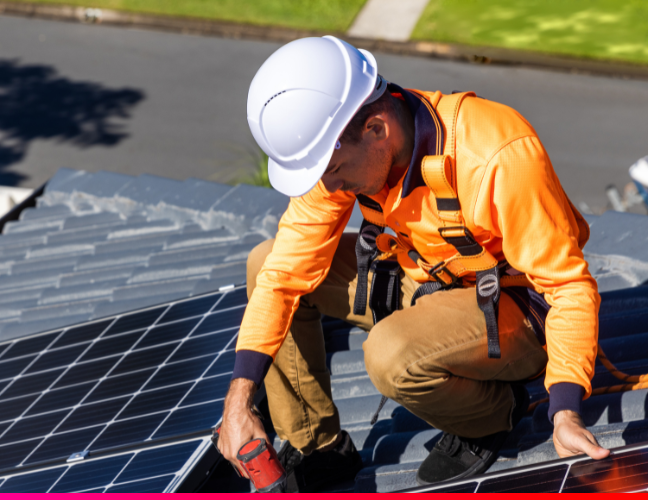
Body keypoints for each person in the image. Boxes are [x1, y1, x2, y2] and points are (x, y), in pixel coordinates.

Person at [216, 36, 608, 491]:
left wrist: (564, 410)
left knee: (390, 354)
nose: (328, 185)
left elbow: (568, 289)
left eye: (333, 169)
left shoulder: (497, 154)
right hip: (427, 279)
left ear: (377, 129)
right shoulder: (342, 157)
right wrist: (239, 401)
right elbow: (281, 276)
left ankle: (491, 416)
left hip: (514, 308)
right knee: (264, 262)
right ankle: (319, 448)